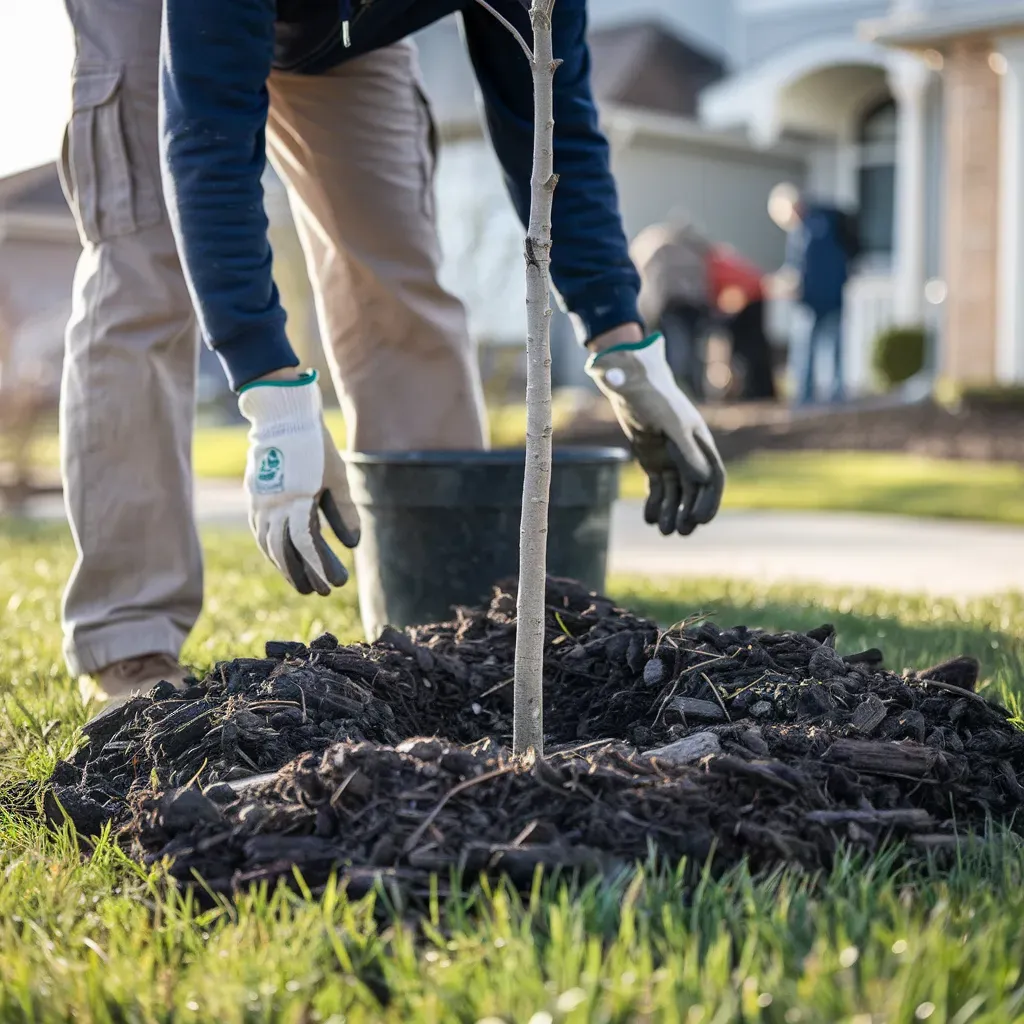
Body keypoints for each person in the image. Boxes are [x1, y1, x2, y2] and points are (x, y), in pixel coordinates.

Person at [60, 0, 725, 710]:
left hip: (347, 28)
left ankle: (447, 636)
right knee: (145, 266)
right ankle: (130, 643)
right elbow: (206, 143)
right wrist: (274, 397)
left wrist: (623, 345)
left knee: (396, 275)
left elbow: (550, 117)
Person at [631, 221, 776, 401]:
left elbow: (726, 288)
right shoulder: (701, 256)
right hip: (705, 304)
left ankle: (690, 392)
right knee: (693, 351)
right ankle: (694, 392)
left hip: (747, 298)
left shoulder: (707, 261)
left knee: (686, 352)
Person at [768, 183, 860, 406]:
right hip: (818, 298)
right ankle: (812, 396)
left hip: (820, 298)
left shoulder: (817, 224)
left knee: (821, 348)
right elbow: (797, 265)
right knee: (814, 349)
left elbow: (810, 266)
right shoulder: (805, 228)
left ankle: (819, 397)